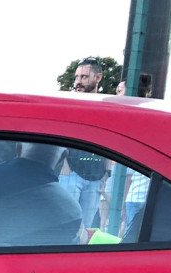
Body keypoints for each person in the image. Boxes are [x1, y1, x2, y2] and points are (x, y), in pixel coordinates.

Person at [61, 57, 108, 226]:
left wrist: (106, 174)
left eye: (84, 77)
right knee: (65, 224)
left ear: (98, 77)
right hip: (72, 173)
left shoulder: (105, 108)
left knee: (85, 227)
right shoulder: (70, 105)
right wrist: (65, 166)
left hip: (95, 176)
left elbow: (109, 140)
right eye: (77, 77)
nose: (78, 81)